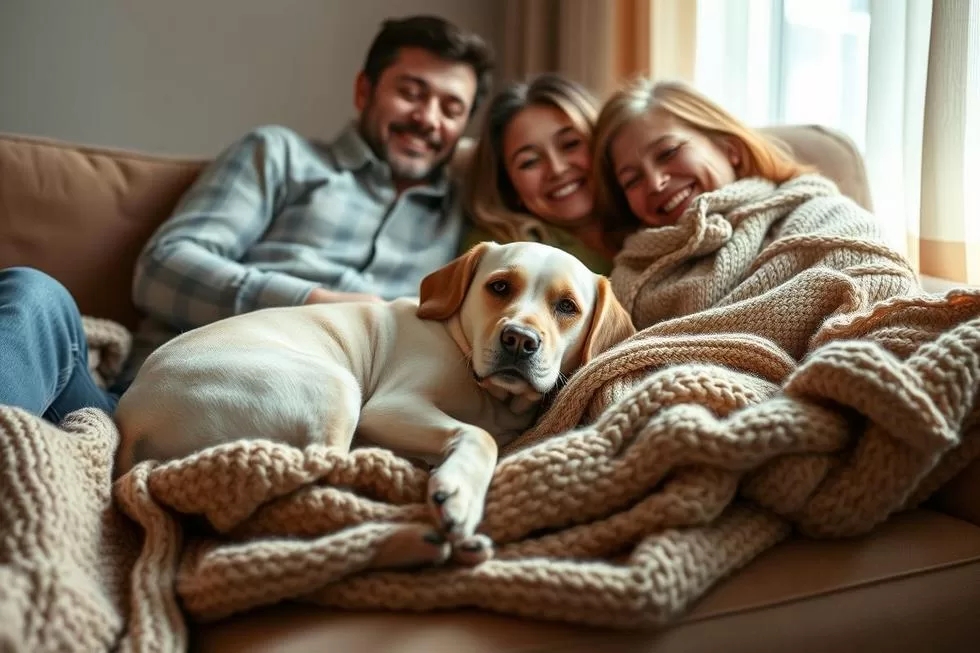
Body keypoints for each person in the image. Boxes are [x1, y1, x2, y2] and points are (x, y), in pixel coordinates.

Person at [0, 14, 495, 424]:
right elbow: (162, 269)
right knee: (33, 294)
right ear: (364, 91)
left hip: (311, 420)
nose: (430, 118)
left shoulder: (466, 218)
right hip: (140, 407)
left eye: (452, 109)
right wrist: (316, 302)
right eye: (412, 92)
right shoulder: (278, 154)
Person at [589, 77, 919, 346]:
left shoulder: (819, 213)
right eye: (631, 180)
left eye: (668, 152)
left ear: (729, 148)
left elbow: (886, 288)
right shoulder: (628, 283)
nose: (656, 181)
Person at [460, 73, 619, 275]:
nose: (557, 169)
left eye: (571, 144)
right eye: (529, 162)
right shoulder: (497, 250)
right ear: (508, 184)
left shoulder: (651, 212)